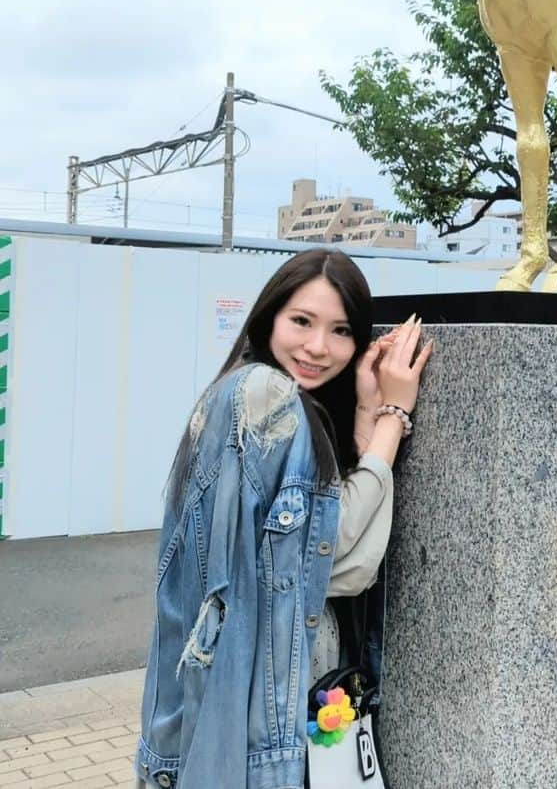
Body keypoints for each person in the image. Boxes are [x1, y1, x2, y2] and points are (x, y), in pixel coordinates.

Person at [133, 248, 432, 789]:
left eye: (341, 331)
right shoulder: (267, 396)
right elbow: (327, 554)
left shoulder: (236, 391)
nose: (318, 347)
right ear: (269, 316)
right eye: (302, 321)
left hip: (218, 710)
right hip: (254, 720)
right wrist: (394, 416)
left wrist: (364, 414)